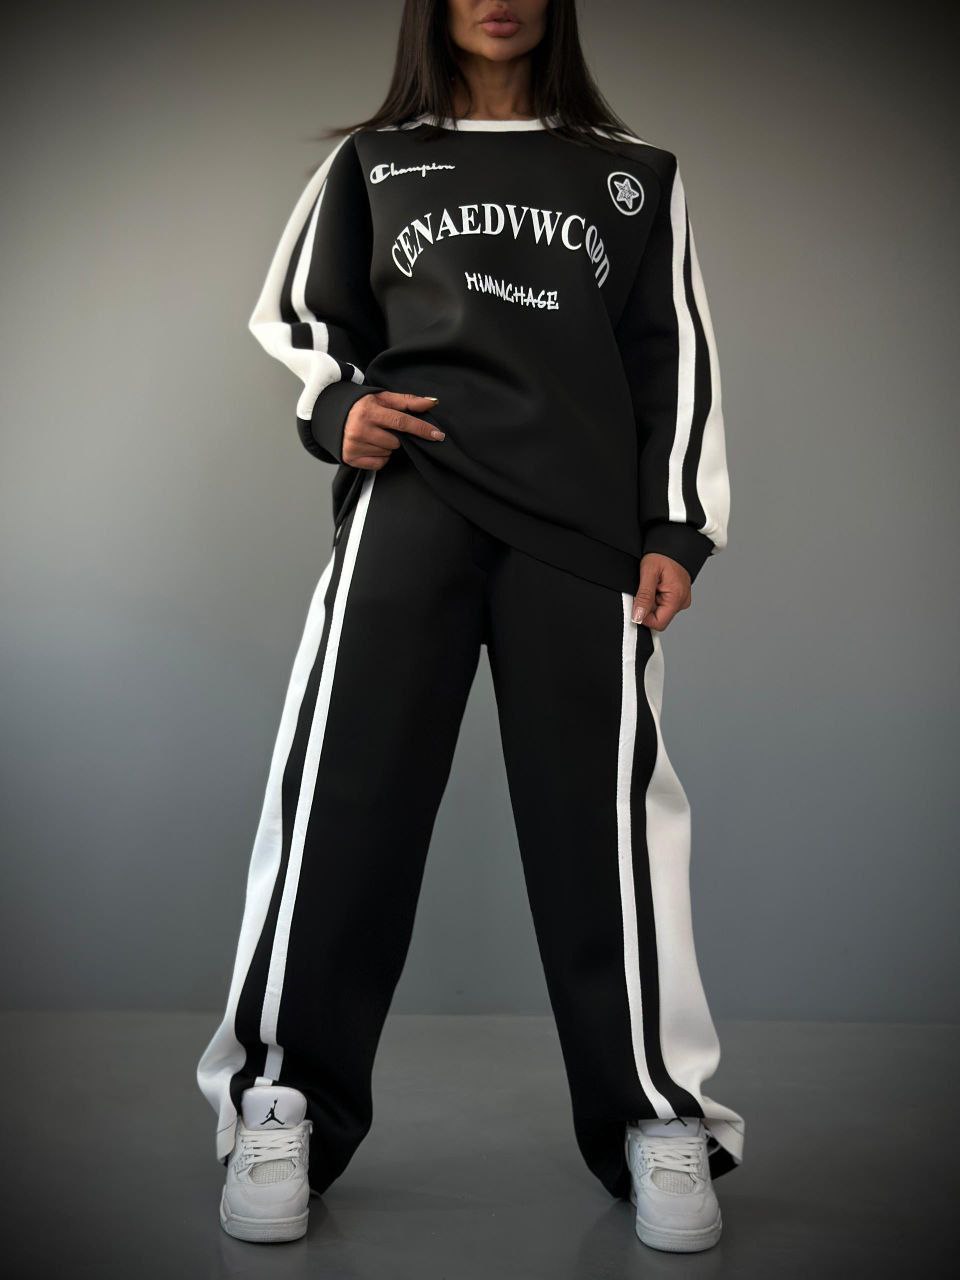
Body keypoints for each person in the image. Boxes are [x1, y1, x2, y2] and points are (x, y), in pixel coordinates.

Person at [196, 0, 744, 1254]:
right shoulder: (374, 163)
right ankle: (281, 1100)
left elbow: (675, 358)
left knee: (608, 829)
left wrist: (677, 526)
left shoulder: (633, 176)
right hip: (413, 503)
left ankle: (655, 1114)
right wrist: (333, 408)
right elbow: (301, 318)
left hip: (579, 533)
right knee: (342, 800)